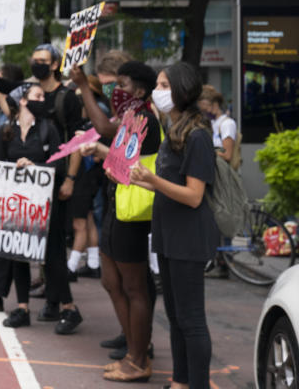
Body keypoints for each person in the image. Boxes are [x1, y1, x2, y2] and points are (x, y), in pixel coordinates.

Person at [0, 84, 83, 335]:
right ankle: (22, 308)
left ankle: (69, 308)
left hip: (46, 205)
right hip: (16, 204)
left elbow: (60, 165)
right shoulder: (6, 131)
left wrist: (35, 165)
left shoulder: (49, 129)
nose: (42, 99)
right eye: (37, 96)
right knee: (17, 252)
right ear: (23, 101)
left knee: (53, 256)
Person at [130, 62, 220, 389]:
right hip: (168, 235)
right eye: (158, 85)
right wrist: (136, 179)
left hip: (188, 238)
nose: (158, 91)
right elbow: (165, 185)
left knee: (192, 320)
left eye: (164, 85)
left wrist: (152, 178)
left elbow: (194, 196)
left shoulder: (197, 136)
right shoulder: (174, 130)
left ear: (182, 89)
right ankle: (181, 381)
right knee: (175, 316)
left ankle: (197, 384)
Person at [73, 61, 160, 382]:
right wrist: (100, 150)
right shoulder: (131, 116)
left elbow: (107, 130)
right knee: (112, 283)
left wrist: (83, 85)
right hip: (115, 205)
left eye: (121, 84)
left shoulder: (144, 117)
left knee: (135, 287)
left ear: (139, 91)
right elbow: (119, 154)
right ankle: (132, 353)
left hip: (131, 213)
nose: (115, 90)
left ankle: (139, 359)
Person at [63, 75, 109, 280]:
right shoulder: (96, 113)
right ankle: (93, 262)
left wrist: (70, 178)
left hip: (85, 175)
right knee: (88, 218)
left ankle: (71, 267)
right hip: (90, 175)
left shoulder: (96, 115)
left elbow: (81, 147)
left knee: (79, 223)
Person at [198, 85, 237, 165]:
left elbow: (227, 156)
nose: (205, 112)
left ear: (215, 104)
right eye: (202, 110)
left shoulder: (227, 124)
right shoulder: (212, 122)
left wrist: (206, 152)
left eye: (206, 108)